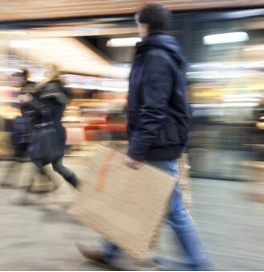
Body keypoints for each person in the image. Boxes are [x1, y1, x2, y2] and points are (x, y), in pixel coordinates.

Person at [78, 4, 211, 271]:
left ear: (145, 24)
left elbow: (154, 108)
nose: (137, 27)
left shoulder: (156, 57)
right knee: (134, 197)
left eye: (138, 22)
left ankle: (199, 265)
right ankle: (109, 251)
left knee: (173, 209)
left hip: (158, 142)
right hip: (159, 139)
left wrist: (137, 150)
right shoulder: (160, 54)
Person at [19, 64, 79, 194]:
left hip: (49, 131)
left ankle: (78, 188)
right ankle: (80, 188)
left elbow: (45, 111)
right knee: (56, 165)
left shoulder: (50, 89)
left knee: (38, 159)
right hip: (56, 130)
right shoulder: (59, 88)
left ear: (49, 73)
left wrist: (29, 101)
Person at [0, 69, 35, 187]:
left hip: (29, 128)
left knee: (34, 160)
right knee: (18, 156)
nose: (15, 81)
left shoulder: (29, 88)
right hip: (25, 128)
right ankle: (7, 180)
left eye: (16, 78)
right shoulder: (24, 88)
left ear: (23, 78)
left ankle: (10, 181)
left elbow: (29, 106)